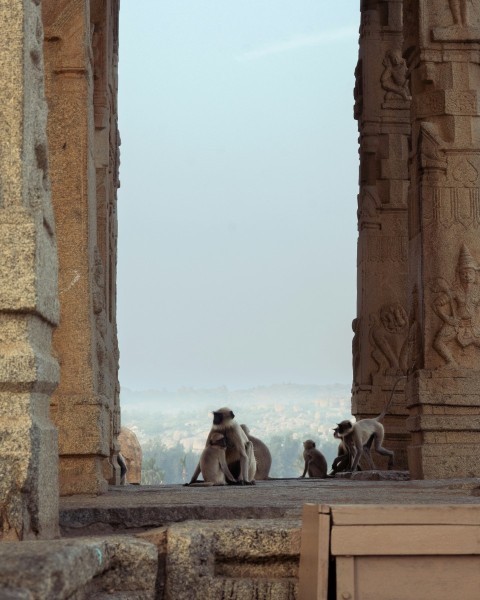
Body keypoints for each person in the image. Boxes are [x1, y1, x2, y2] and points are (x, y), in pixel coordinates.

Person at [433, 245, 480, 367]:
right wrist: (446, 318)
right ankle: (451, 362)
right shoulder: (455, 290)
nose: (467, 276)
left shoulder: (478, 290)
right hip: (456, 324)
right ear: (459, 275)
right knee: (438, 343)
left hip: (473, 325)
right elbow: (436, 304)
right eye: (463, 273)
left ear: (475, 274)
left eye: (470, 272)